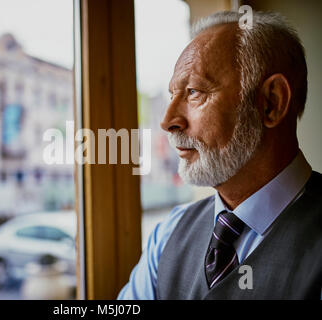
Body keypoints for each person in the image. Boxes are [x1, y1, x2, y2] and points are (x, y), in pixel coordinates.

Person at [118, 10, 321, 300]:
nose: (168, 121)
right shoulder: (167, 236)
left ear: (271, 103)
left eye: (193, 93)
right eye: (172, 95)